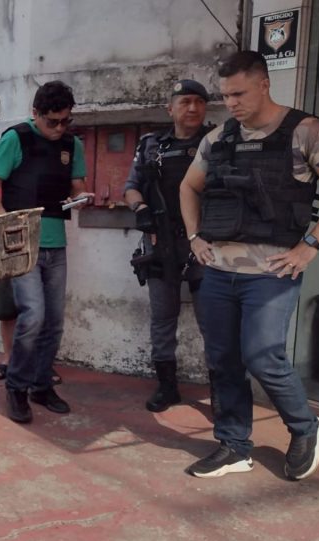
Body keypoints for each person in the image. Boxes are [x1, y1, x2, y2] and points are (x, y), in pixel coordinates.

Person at [180, 51, 319, 480]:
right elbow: (188, 187)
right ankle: (234, 446)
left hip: (271, 271)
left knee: (263, 356)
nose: (232, 103)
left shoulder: (306, 131)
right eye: (226, 95)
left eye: (239, 93)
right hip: (219, 270)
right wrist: (195, 237)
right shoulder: (219, 138)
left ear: (265, 84)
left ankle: (305, 427)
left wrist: (310, 246)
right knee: (223, 359)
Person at [0, 81, 93, 424]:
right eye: (52, 122)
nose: (59, 129)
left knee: (54, 322)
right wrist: (6, 226)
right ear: (35, 114)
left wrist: (81, 197)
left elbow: (77, 185)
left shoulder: (72, 145)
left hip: (56, 242)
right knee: (33, 316)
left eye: (65, 122)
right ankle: (17, 387)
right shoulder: (17, 138)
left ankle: (42, 385)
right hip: (23, 244)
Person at [124, 79, 213, 412]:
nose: (192, 108)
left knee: (212, 322)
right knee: (163, 317)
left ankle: (221, 390)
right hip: (160, 243)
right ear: (170, 108)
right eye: (185, 101)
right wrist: (141, 209)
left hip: (204, 245)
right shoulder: (151, 145)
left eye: (199, 102)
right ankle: (167, 387)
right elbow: (131, 186)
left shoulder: (216, 142)